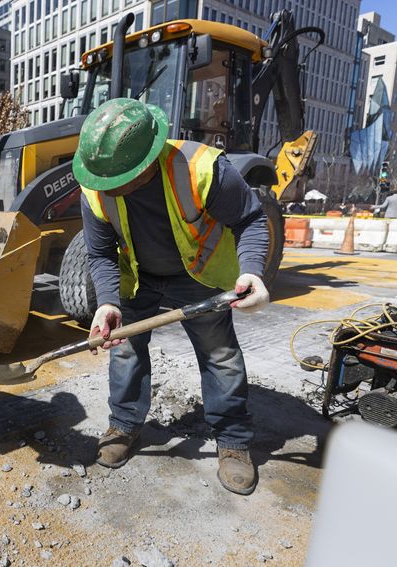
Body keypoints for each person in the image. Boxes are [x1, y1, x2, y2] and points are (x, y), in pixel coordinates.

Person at [73, 98, 270, 495]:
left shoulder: (203, 170)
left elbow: (251, 219)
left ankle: (232, 440)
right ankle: (124, 425)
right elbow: (99, 251)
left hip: (197, 271)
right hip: (138, 276)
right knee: (124, 349)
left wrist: (252, 272)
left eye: (117, 180)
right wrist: (108, 302)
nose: (105, 188)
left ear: (147, 161)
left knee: (219, 354)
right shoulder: (96, 183)